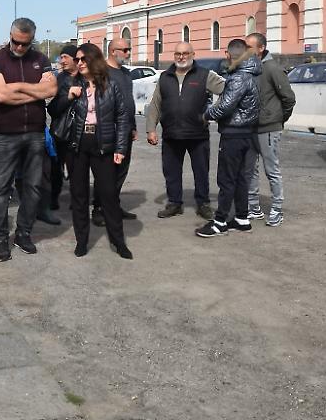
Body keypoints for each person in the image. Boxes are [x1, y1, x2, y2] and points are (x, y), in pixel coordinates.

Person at [49, 43, 132, 259]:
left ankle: (118, 241)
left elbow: (122, 117)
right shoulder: (70, 83)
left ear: (94, 59)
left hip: (103, 144)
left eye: (83, 59)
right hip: (76, 144)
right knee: (79, 195)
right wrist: (68, 97)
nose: (79, 63)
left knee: (108, 194)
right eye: (77, 60)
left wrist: (120, 148)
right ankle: (82, 241)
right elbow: (53, 110)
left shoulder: (111, 85)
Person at [0, 18, 57, 262]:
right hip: (5, 135)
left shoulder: (41, 59)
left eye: (24, 44)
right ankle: (0, 238)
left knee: (33, 188)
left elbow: (51, 90)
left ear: (32, 40)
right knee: (0, 189)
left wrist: (15, 87)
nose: (19, 47)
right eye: (15, 42)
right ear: (10, 35)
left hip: (35, 133)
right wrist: (35, 91)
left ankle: (23, 233)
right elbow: (0, 95)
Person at [146, 42, 225, 221]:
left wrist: (212, 113)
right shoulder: (165, 77)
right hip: (171, 134)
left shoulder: (204, 75)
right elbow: (156, 104)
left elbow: (228, 91)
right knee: (171, 172)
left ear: (193, 54)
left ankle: (203, 204)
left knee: (201, 172)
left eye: (185, 53)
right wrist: (151, 129)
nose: (181, 57)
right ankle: (174, 203)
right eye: (178, 54)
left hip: (198, 134)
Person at [195, 38, 261, 238]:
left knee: (227, 179)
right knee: (240, 178)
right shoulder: (252, 74)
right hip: (247, 133)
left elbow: (225, 106)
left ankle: (220, 222)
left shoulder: (239, 77)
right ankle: (242, 218)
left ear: (228, 54)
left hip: (234, 134)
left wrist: (206, 115)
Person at [244, 32, 295, 227]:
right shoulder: (249, 68)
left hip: (269, 128)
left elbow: (288, 98)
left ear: (261, 48)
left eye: (249, 47)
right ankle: (253, 207)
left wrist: (277, 119)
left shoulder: (272, 68)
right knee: (250, 169)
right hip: (250, 128)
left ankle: (276, 209)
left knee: (271, 169)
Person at [92, 37, 137, 225]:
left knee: (121, 171)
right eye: (124, 50)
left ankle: (113, 205)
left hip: (125, 130)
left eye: (129, 49)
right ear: (112, 51)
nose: (128, 53)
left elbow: (128, 102)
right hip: (108, 131)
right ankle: (98, 209)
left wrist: (132, 126)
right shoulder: (101, 72)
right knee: (105, 173)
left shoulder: (126, 73)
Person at [49, 44, 78, 210]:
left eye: (65, 57)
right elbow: (52, 109)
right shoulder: (59, 79)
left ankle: (77, 198)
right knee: (55, 168)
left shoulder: (86, 78)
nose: (62, 60)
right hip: (60, 131)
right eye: (61, 57)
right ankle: (53, 197)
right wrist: (68, 98)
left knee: (77, 168)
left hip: (79, 132)